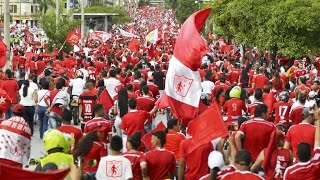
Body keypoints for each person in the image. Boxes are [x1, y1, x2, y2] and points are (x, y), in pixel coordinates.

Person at [283, 112, 320, 180]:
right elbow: (317, 144)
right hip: (311, 167)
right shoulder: (315, 129)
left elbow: (285, 149)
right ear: (309, 117)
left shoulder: (292, 128)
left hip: (293, 164)